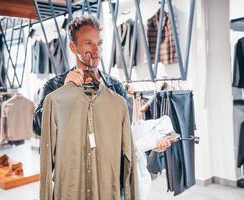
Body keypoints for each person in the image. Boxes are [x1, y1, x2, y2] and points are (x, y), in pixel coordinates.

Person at [32, 16, 171, 153]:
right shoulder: (55, 86)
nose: (96, 49)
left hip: (109, 168)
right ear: (73, 47)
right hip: (74, 168)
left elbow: (124, 135)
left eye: (99, 43)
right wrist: (63, 94)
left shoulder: (115, 86)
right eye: (88, 43)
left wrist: (150, 146)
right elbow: (38, 127)